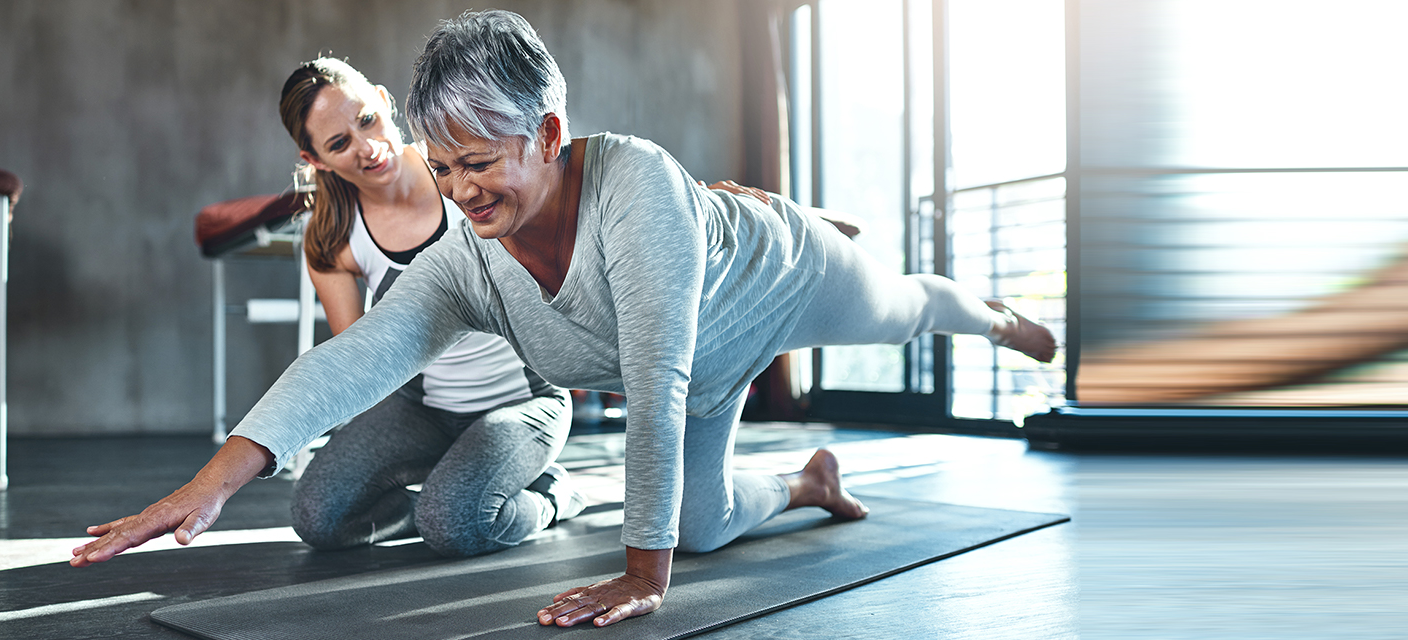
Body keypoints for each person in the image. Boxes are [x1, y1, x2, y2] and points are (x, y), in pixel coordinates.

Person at [72, 9, 1056, 630]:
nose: (462, 191)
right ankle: (809, 478)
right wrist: (207, 485)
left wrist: (639, 571)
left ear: (547, 134)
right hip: (707, 371)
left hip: (772, 281)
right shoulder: (467, 256)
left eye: (484, 162)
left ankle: (992, 311)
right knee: (705, 525)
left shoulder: (637, 193)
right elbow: (361, 355)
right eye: (445, 167)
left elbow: (655, 374)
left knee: (898, 309)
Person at [275, 57, 579, 557]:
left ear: (382, 99)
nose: (368, 148)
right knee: (318, 517)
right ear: (316, 160)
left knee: (453, 525)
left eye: (367, 120)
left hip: (524, 401)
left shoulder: (461, 169)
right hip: (423, 409)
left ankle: (550, 495)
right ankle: (460, 496)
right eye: (339, 143)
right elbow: (360, 364)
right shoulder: (334, 240)